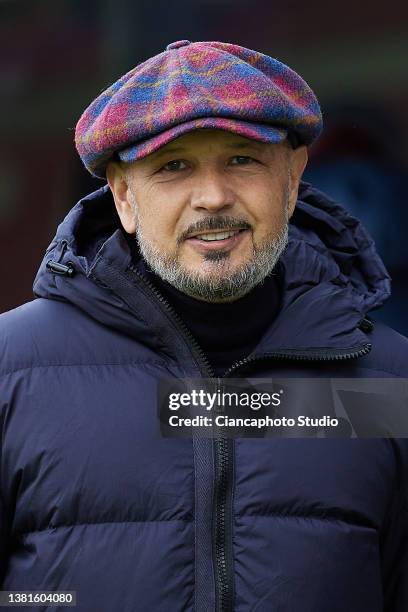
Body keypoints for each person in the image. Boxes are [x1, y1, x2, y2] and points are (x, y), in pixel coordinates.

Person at [0, 40, 407, 612]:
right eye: (174, 166)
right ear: (122, 196)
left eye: (242, 159)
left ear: (292, 178)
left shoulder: (389, 384)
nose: (213, 197)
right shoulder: (10, 371)